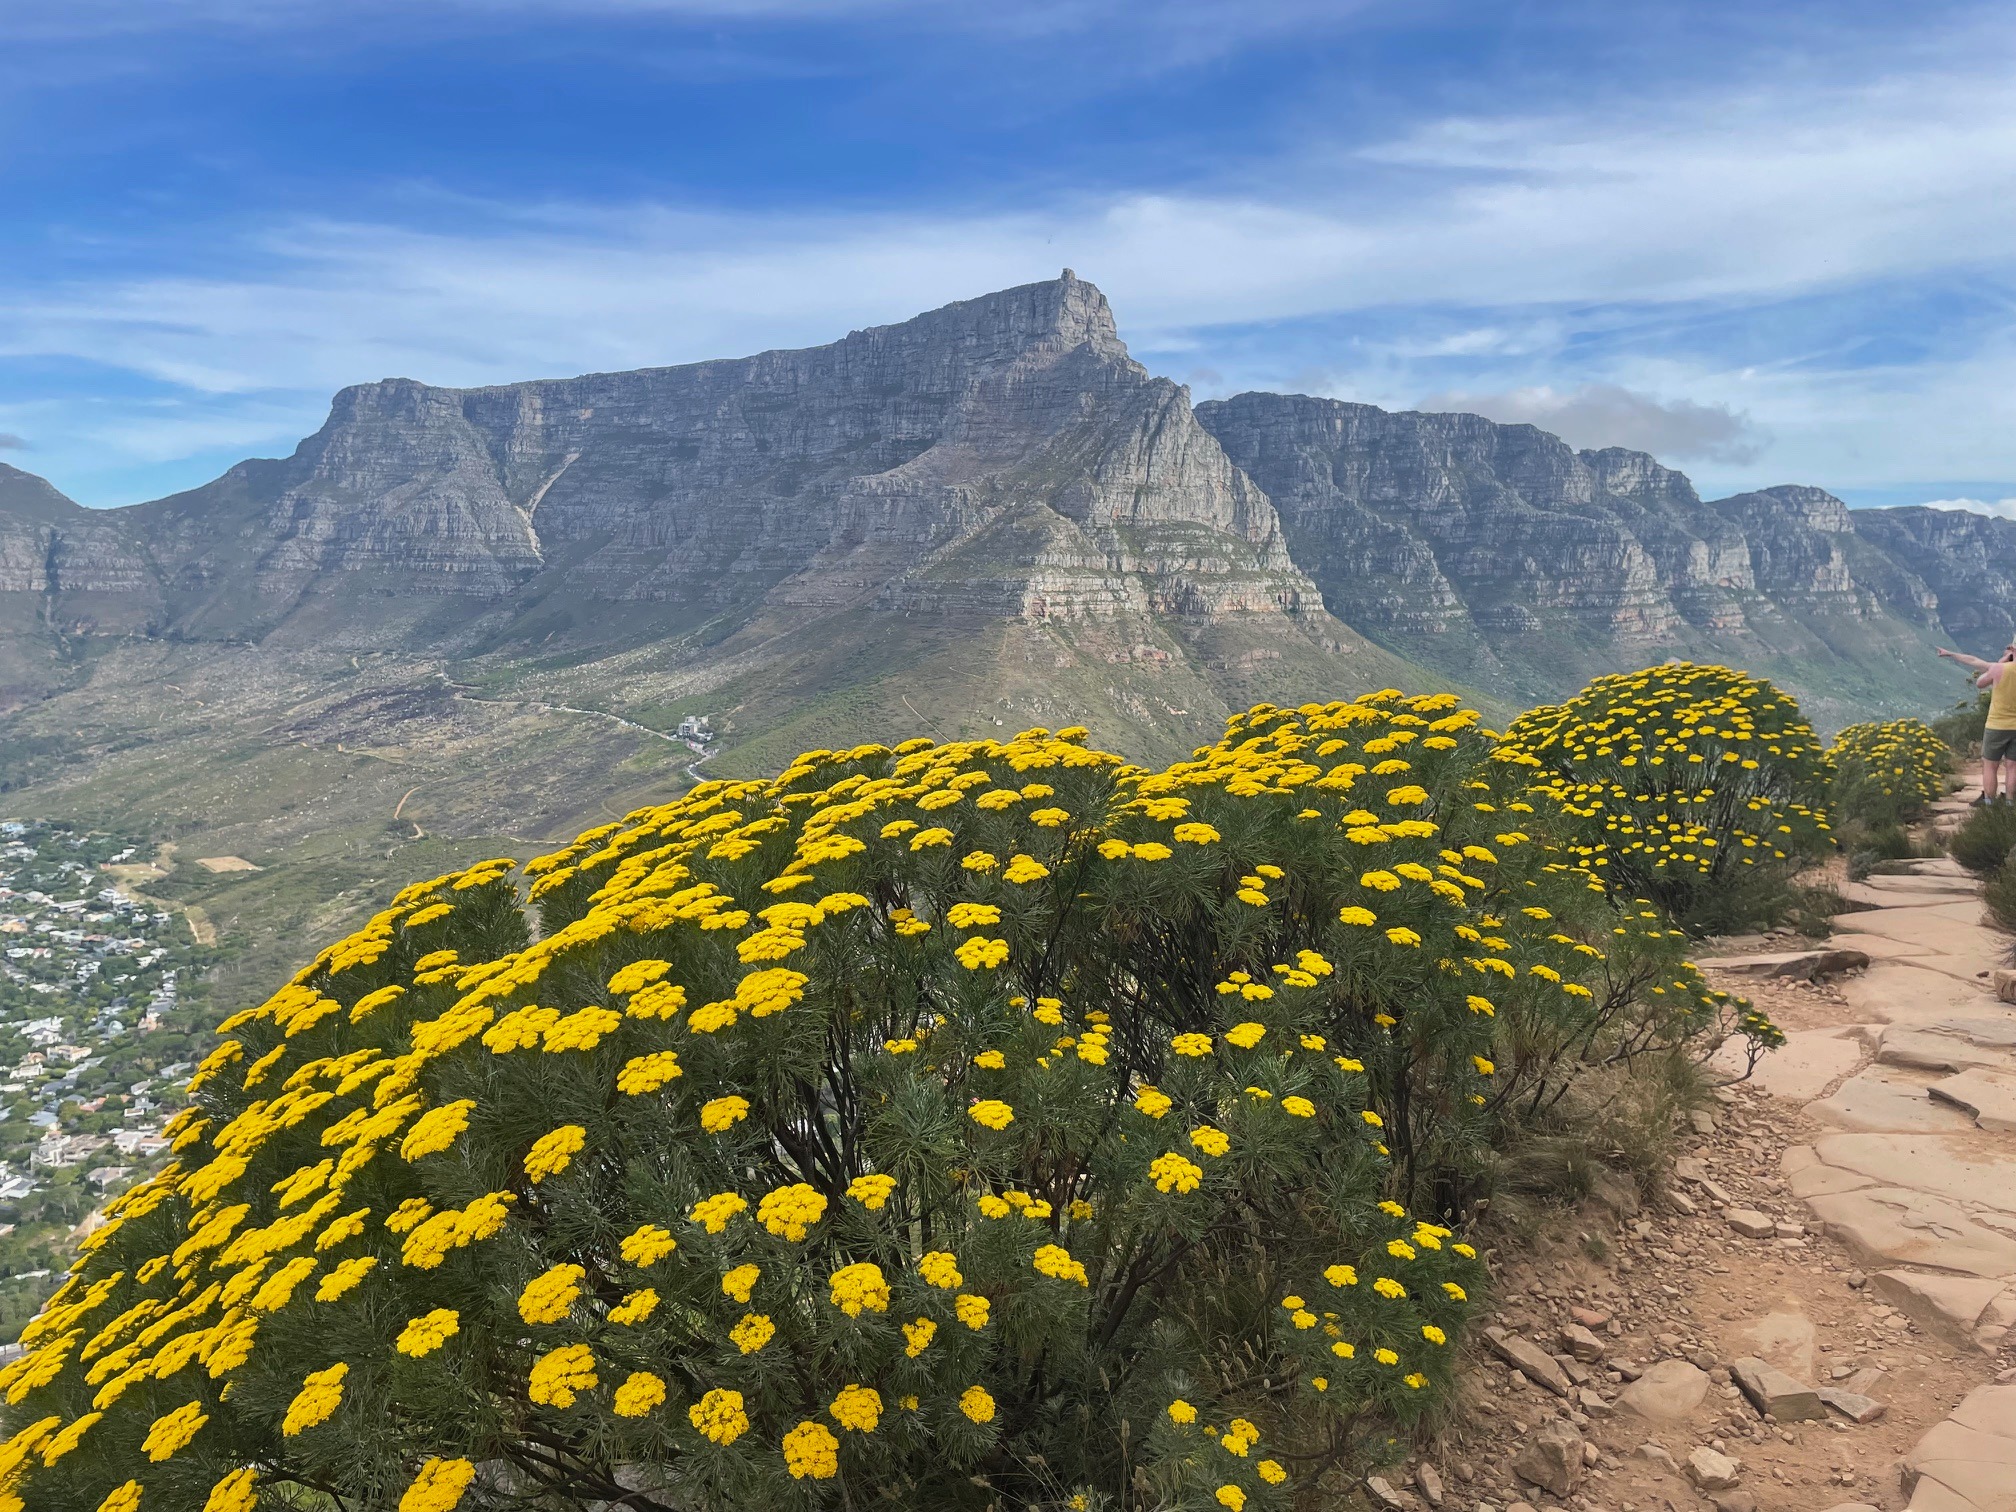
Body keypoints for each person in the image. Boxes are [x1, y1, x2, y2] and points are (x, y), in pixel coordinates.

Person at [1937, 641, 2016, 803]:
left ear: (2013, 649)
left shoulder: (1999, 668)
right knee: (2012, 767)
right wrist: (1952, 654)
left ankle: (1989, 803)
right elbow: (1974, 661)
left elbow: (1980, 682)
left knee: (1990, 766)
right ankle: (2010, 803)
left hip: (1997, 725)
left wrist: (2000, 663)